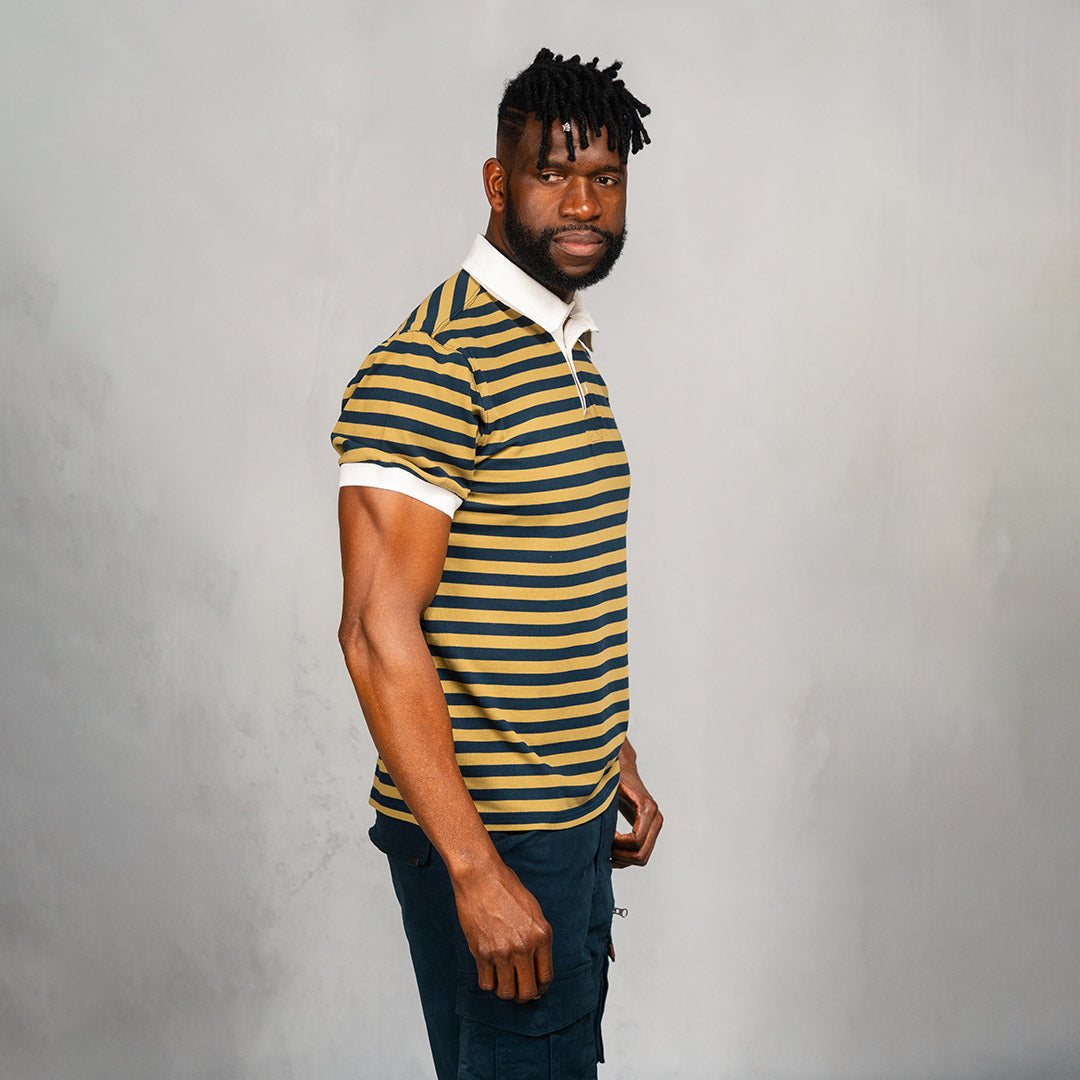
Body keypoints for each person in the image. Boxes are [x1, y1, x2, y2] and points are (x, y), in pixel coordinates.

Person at [332, 47, 662, 1080]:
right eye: (552, 172)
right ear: (496, 181)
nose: (583, 203)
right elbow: (375, 632)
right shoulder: (437, 361)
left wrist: (609, 749)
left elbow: (547, 580)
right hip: (491, 833)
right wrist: (475, 870)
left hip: (567, 819)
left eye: (604, 177)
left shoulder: (564, 349)